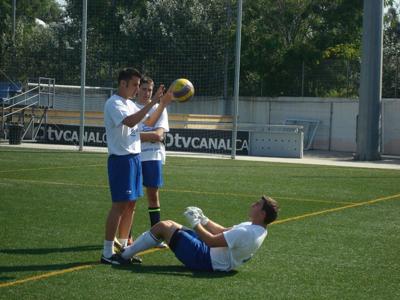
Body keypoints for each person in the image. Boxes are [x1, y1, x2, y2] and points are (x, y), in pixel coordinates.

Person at [101, 67, 173, 265]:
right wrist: (153, 101)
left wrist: (161, 103)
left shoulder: (129, 104)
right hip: (121, 159)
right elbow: (132, 122)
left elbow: (149, 120)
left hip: (133, 158)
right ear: (122, 84)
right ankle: (107, 252)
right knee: (119, 206)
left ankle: (124, 249)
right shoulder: (114, 103)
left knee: (130, 206)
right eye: (134, 85)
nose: (137, 89)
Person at [118, 196, 279, 272]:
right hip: (211, 255)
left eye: (258, 204)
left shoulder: (247, 232)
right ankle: (127, 254)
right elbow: (223, 231)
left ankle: (124, 257)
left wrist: (195, 224)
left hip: (205, 259)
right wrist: (204, 219)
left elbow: (211, 241)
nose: (253, 204)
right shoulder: (256, 228)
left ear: (263, 214)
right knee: (169, 225)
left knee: (163, 227)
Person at [133, 76, 169, 247]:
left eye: (150, 90)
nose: (147, 92)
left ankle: (156, 236)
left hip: (153, 156)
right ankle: (127, 237)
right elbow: (152, 135)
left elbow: (159, 135)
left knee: (153, 197)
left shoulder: (159, 108)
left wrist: (136, 136)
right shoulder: (130, 107)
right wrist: (150, 136)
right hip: (133, 156)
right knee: (130, 199)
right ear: (138, 89)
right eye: (144, 88)